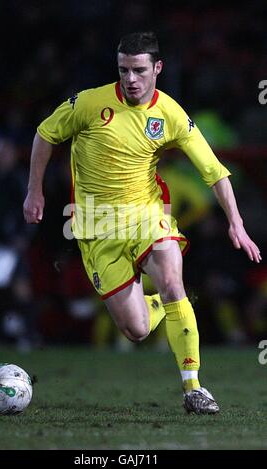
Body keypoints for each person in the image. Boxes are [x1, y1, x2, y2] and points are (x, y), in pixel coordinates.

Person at [23, 32, 261, 414]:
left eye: (138, 70)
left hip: (148, 217)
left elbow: (214, 171)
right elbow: (44, 134)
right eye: (123, 70)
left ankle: (194, 387)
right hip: (96, 227)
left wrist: (236, 223)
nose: (130, 79)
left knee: (171, 279)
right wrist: (35, 191)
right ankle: (169, 307)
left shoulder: (169, 113)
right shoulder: (88, 103)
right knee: (135, 330)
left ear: (157, 69)